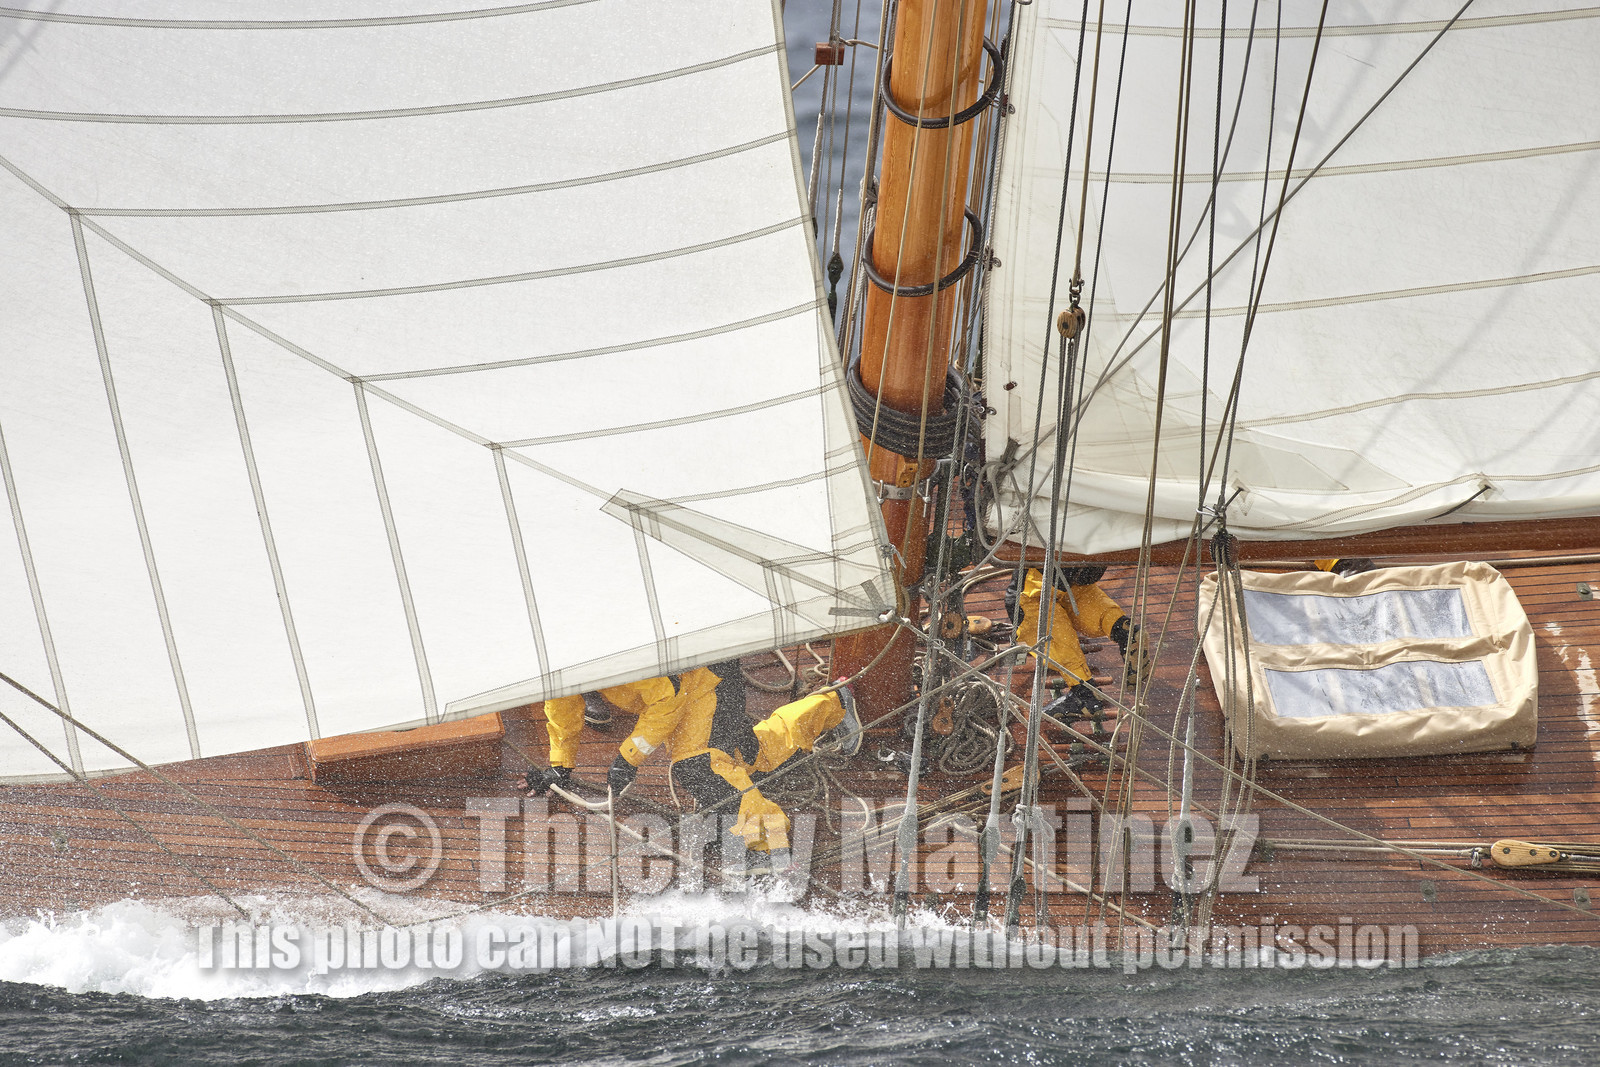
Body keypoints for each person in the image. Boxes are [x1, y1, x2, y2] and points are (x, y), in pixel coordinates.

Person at [525, 661, 860, 853]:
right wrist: (560, 766)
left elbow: (667, 698)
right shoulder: (562, 660)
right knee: (745, 756)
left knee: (700, 766)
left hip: (705, 682)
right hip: (682, 689)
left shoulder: (615, 653)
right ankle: (834, 702)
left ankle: (770, 845)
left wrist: (628, 758)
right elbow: (562, 709)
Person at [1011, 563, 1150, 717]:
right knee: (1074, 583)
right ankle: (1121, 629)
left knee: (1026, 597)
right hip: (1094, 556)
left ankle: (1083, 693)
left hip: (1053, 558)